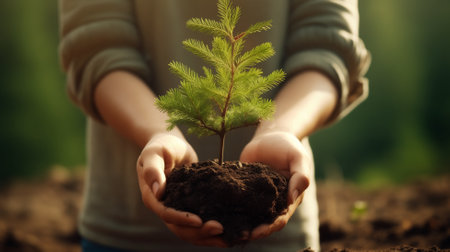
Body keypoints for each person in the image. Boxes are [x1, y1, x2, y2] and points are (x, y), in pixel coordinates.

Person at [58, 0, 370, 251]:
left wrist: (281, 130)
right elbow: (96, 48)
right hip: (127, 232)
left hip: (274, 226)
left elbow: (329, 47)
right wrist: (160, 133)